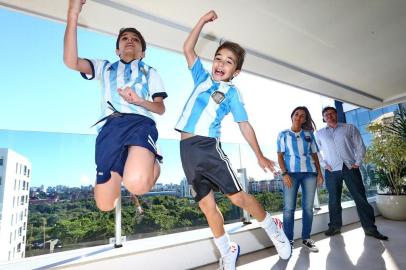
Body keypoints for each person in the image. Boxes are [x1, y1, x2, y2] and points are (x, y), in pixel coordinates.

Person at [175, 10, 291, 269]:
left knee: (237, 198)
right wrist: (202, 21)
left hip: (208, 147)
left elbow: (244, 125)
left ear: (235, 71)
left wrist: (259, 155)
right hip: (186, 150)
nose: (221, 64)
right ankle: (228, 250)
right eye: (218, 58)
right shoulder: (202, 78)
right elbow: (187, 47)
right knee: (207, 206)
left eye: (228, 62)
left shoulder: (232, 92)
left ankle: (274, 230)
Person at [64, 0, 167, 211]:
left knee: (137, 183)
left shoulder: (150, 71)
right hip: (109, 128)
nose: (130, 41)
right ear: (117, 49)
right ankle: (128, 163)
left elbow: (160, 108)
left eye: (135, 39)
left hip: (140, 123)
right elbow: (71, 61)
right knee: (105, 205)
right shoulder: (105, 68)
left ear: (142, 52)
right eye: (125, 38)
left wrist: (139, 100)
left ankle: (151, 164)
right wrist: (73, 14)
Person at [316, 106, 388, 240]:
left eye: (332, 113)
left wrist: (357, 162)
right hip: (332, 170)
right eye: (326, 114)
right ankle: (334, 227)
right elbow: (316, 152)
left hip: (350, 168)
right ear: (324, 118)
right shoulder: (319, 133)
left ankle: (370, 228)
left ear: (336, 115)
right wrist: (324, 164)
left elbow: (360, 146)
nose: (330, 116)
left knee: (360, 198)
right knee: (333, 201)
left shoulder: (349, 128)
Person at [277, 106, 324, 252]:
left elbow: (315, 154)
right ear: (292, 116)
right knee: (288, 209)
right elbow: (280, 156)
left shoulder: (309, 134)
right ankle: (288, 241)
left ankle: (306, 238)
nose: (299, 117)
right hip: (291, 174)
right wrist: (284, 174)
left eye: (302, 116)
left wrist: (320, 174)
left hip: (310, 173)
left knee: (308, 209)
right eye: (296, 114)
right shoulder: (283, 134)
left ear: (305, 119)